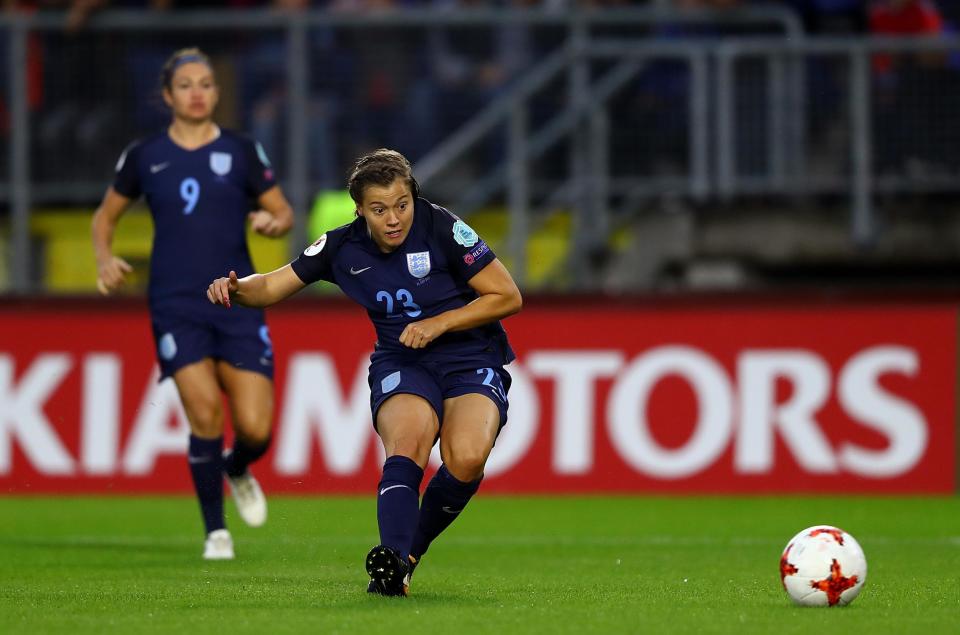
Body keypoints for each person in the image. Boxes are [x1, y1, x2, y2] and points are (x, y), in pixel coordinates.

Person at [207, 148, 522, 596]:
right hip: (404, 361)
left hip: (470, 357)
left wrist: (438, 323)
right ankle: (391, 568)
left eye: (401, 204)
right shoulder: (341, 247)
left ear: (413, 196)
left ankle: (407, 555)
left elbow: (507, 295)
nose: (394, 218)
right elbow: (274, 284)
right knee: (407, 444)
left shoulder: (444, 227)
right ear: (360, 210)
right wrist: (236, 289)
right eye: (379, 209)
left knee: (467, 459)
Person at [91, 47, 295, 560]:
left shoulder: (243, 150)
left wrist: (274, 221)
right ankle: (215, 532)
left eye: (206, 83)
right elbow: (104, 218)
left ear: (217, 92)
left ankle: (237, 467)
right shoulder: (145, 155)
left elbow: (282, 210)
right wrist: (103, 258)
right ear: (167, 95)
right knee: (203, 410)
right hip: (176, 302)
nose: (197, 92)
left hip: (236, 298)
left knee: (256, 429)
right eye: (186, 85)